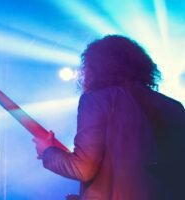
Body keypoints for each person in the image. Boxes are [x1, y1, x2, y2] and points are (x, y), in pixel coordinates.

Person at [33, 35, 185, 200]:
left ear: (96, 68)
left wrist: (48, 151)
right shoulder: (174, 107)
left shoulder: (97, 100)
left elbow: (82, 168)